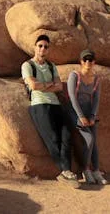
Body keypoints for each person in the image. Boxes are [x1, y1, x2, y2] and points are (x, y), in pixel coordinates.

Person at [21, 34, 79, 188]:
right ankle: (66, 171)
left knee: (66, 135)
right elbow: (33, 86)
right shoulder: (27, 65)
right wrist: (50, 85)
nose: (43, 49)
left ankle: (66, 172)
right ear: (35, 47)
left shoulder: (52, 66)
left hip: (56, 104)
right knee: (52, 139)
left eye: (46, 46)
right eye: (40, 46)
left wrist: (44, 84)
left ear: (48, 49)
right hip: (40, 104)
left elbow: (59, 86)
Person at [67, 49, 108, 185]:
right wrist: (81, 117)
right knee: (89, 139)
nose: (88, 62)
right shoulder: (74, 76)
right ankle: (85, 169)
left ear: (94, 62)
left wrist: (92, 116)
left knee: (94, 142)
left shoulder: (96, 80)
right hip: (75, 112)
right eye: (85, 60)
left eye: (90, 60)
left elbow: (96, 100)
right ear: (81, 62)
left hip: (89, 113)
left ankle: (96, 170)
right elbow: (72, 98)